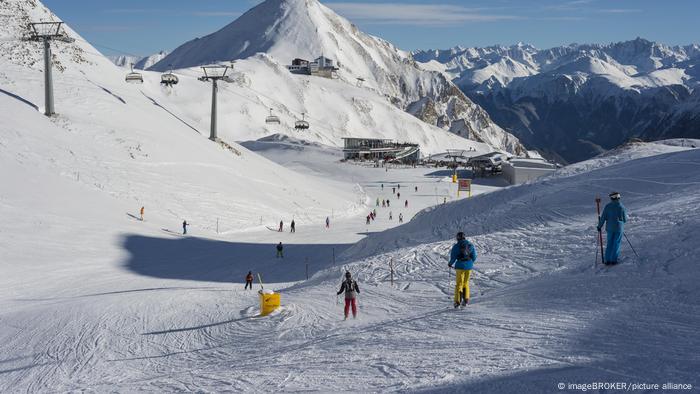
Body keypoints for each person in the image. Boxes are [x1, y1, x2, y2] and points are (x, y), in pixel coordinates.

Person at [597, 192, 628, 265]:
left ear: (611, 198)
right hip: (619, 229)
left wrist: (599, 226)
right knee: (616, 243)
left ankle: (607, 260)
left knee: (610, 243)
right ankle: (613, 260)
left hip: (610, 228)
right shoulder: (622, 207)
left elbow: (603, 217)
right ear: (618, 198)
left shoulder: (608, 206)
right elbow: (625, 220)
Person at [448, 232, 477, 308]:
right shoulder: (470, 245)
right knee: (466, 283)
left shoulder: (456, 246)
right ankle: (466, 300)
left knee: (459, 284)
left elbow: (453, 257)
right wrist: (470, 262)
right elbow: (474, 256)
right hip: (469, 266)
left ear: (457, 238)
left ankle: (457, 301)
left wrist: (450, 264)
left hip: (460, 267)